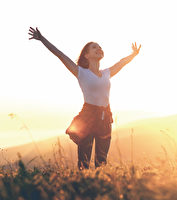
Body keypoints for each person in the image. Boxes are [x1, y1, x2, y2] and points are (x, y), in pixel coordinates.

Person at [28, 27, 141, 169]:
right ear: (86, 55)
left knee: (102, 161)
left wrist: (134, 54)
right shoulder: (80, 72)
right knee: (84, 161)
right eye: (94, 47)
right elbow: (60, 54)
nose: (99, 49)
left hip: (105, 117)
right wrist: (42, 39)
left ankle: (100, 187)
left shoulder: (107, 73)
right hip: (88, 116)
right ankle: (82, 187)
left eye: (100, 47)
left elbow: (121, 63)